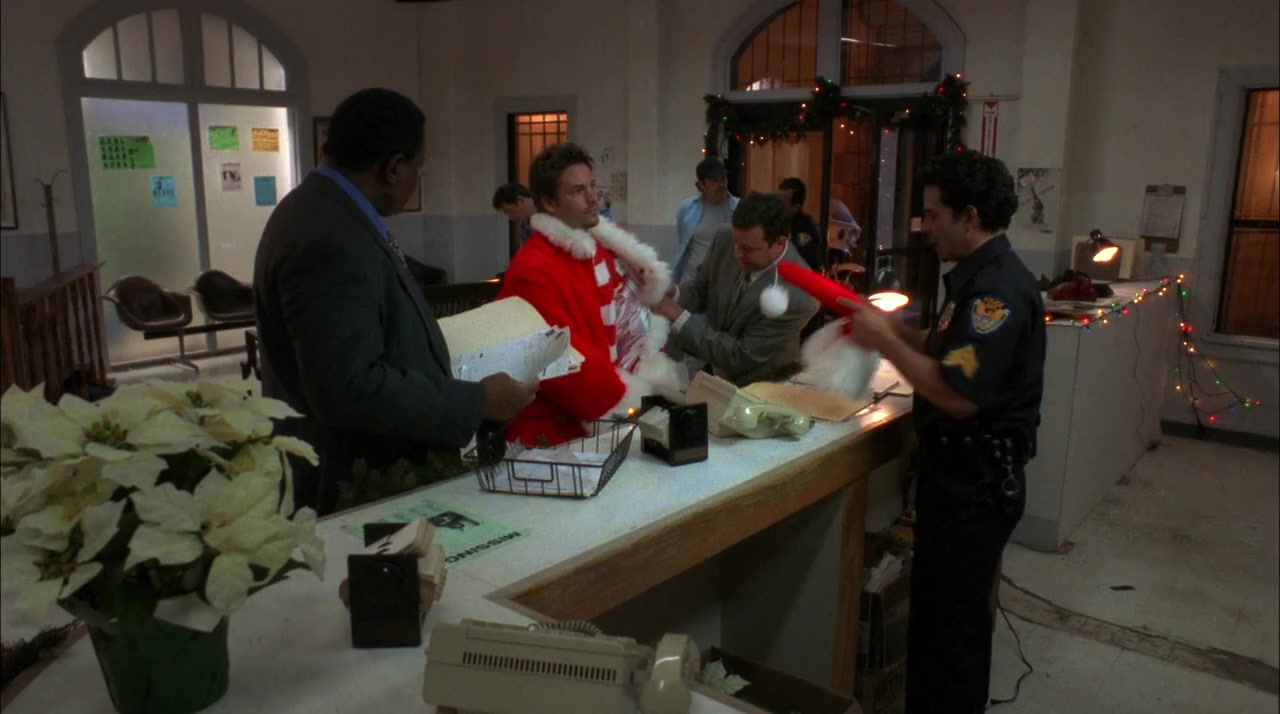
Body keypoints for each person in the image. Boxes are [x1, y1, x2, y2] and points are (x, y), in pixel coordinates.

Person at [254, 88, 538, 515]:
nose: (415, 181)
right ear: (393, 167)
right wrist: (477, 401)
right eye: (417, 169)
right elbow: (348, 387)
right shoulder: (328, 236)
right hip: (355, 483)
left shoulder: (323, 211)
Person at [840, 150, 1046, 713]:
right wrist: (890, 328)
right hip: (958, 482)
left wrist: (885, 342)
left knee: (949, 639)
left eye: (933, 215)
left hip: (974, 487)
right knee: (938, 626)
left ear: (969, 216)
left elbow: (958, 394)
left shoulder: (996, 294)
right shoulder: (977, 278)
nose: (924, 227)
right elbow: (947, 348)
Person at [498, 143, 680, 446]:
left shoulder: (606, 246)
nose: (593, 197)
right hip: (564, 432)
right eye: (578, 190)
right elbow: (559, 357)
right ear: (550, 202)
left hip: (620, 417)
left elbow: (632, 315)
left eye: (593, 186)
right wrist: (626, 397)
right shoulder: (532, 268)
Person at [651, 192, 819, 387]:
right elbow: (700, 289)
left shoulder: (800, 296)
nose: (737, 253)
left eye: (748, 249)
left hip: (764, 388)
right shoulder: (726, 237)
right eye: (736, 243)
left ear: (779, 243)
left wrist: (678, 316)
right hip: (717, 376)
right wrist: (675, 294)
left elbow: (738, 356)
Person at [672, 157, 740, 285]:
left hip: (725, 281)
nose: (721, 185)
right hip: (692, 280)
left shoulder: (738, 208)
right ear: (701, 185)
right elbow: (684, 244)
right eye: (714, 181)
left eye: (723, 179)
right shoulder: (687, 208)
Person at [778, 177, 823, 271]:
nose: (776, 205)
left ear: (796, 207)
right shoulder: (777, 220)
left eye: (782, 203)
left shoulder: (807, 228)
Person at [492, 182, 535, 253]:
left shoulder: (551, 213)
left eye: (509, 211)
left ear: (520, 200)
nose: (509, 217)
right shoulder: (525, 229)